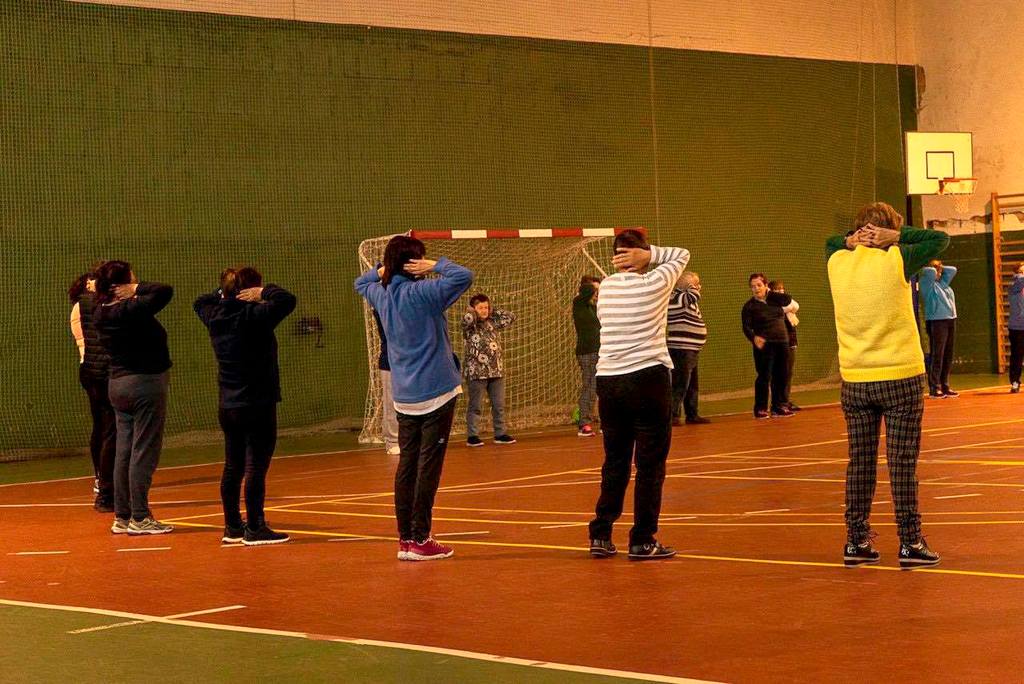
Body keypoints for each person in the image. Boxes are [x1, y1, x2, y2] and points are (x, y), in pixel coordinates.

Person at [826, 201, 948, 569]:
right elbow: (939, 239)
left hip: (855, 378)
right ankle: (910, 541)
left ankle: (856, 540)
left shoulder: (837, 260)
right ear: (887, 232)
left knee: (860, 463)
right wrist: (895, 236)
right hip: (899, 375)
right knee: (902, 463)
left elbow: (831, 242)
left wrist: (851, 240)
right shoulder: (898, 257)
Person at [355, 235, 473, 561]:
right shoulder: (425, 292)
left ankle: (405, 538)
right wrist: (435, 265)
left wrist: (382, 271)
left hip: (404, 394)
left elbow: (360, 282)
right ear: (414, 263)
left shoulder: (380, 294)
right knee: (427, 468)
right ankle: (421, 537)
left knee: (407, 466)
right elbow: (464, 276)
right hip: (437, 392)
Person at [588, 229, 689, 561]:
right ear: (642, 254)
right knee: (650, 465)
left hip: (609, 381)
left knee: (615, 462)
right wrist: (651, 255)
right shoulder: (656, 281)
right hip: (648, 378)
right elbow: (682, 254)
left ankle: (601, 534)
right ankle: (642, 539)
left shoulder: (606, 288)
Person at [194, 267, 297, 546]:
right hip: (257, 402)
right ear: (249, 291)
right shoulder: (256, 315)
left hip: (229, 404)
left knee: (233, 466)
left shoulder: (215, 315)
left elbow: (200, 301)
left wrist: (225, 294)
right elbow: (287, 299)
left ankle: (232, 526)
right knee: (255, 467)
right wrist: (262, 293)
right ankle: (255, 526)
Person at [93, 261, 174, 536]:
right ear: (122, 283)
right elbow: (164, 290)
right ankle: (140, 516)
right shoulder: (130, 309)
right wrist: (136, 289)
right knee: (144, 451)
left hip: (117, 385)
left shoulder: (100, 311)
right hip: (144, 384)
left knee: (124, 452)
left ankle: (122, 514)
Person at [69, 271, 116, 512]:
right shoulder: (87, 306)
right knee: (107, 427)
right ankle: (105, 481)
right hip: (96, 371)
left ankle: (102, 478)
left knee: (102, 426)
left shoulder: (84, 305)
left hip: (90, 370)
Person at [461, 294, 516, 446]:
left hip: (496, 370)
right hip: (477, 372)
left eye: (486, 307)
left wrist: (492, 310)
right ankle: (472, 436)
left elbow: (511, 316)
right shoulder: (469, 324)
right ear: (473, 309)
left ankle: (500, 433)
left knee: (499, 405)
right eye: (480, 308)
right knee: (476, 405)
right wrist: (472, 312)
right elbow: (468, 319)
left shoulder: (493, 322)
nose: (484, 310)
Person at [741, 274, 794, 418]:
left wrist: (770, 294)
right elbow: (746, 327)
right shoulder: (749, 306)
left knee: (782, 375)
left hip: (782, 342)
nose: (756, 288)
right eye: (753, 286)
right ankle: (760, 408)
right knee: (764, 376)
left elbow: (788, 299)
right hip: (764, 346)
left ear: (766, 285)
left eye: (759, 285)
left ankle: (779, 406)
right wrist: (754, 338)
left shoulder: (775, 300)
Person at [666, 272, 709, 425]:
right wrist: (690, 284)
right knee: (680, 383)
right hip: (681, 349)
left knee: (691, 384)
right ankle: (673, 415)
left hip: (691, 348)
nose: (699, 287)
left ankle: (692, 413)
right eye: (696, 284)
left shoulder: (684, 297)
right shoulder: (676, 298)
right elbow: (694, 294)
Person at [919, 258, 959, 398]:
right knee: (938, 354)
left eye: (940, 271)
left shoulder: (943, 283)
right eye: (937, 270)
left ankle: (945, 385)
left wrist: (940, 268)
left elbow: (953, 270)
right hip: (936, 321)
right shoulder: (926, 284)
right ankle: (934, 387)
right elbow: (928, 271)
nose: (939, 273)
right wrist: (934, 267)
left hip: (950, 319)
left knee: (948, 354)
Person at [572, 275, 601, 436]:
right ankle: (584, 423)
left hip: (601, 352)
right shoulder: (579, 303)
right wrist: (598, 284)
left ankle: (606, 422)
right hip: (587, 353)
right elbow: (587, 289)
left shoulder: (594, 308)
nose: (597, 293)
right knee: (590, 387)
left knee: (601, 388)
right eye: (595, 290)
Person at [768, 279, 801, 411]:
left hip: (791, 342)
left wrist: (788, 306)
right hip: (778, 343)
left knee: (788, 372)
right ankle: (777, 402)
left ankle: (785, 400)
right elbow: (783, 309)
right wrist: (787, 307)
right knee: (778, 373)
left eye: (782, 289)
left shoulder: (785, 301)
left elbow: (795, 305)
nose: (781, 292)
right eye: (777, 289)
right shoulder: (770, 305)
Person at [373, 309, 401, 455]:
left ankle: (408, 438)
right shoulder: (383, 307)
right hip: (390, 362)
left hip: (410, 361)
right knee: (391, 402)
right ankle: (392, 441)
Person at [1009, 262, 1024, 393]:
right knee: (1017, 356)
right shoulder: (1014, 285)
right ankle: (1015, 382)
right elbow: (1020, 282)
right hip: (1017, 327)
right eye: (1021, 271)